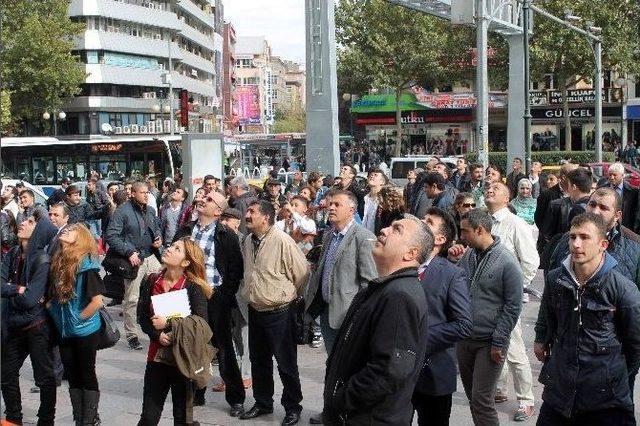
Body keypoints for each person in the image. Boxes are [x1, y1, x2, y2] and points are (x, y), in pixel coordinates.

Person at [323, 215, 430, 425]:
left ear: (411, 253)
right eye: (389, 226)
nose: (384, 231)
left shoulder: (399, 296)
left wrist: (343, 400)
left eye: (397, 230)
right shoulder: (381, 289)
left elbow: (389, 370)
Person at [534, 213, 640, 424]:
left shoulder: (623, 288)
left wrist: (611, 375)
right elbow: (550, 320)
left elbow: (635, 346)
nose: (576, 244)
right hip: (560, 394)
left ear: (603, 244)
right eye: (572, 237)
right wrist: (541, 337)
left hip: (605, 400)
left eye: (584, 237)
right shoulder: (556, 279)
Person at [305, 190, 377, 424]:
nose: (331, 207)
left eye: (337, 204)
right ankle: (331, 411)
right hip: (327, 312)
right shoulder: (329, 235)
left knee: (350, 367)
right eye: (329, 203)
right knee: (332, 365)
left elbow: (369, 282)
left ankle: (349, 413)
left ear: (352, 210)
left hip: (349, 317)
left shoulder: (363, 237)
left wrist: (360, 317)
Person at [174, 190, 246, 415]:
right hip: (188, 296)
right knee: (194, 345)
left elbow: (236, 269)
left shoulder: (226, 234)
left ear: (218, 211)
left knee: (223, 347)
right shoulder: (186, 230)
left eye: (209, 199)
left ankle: (236, 397)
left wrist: (224, 295)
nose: (202, 199)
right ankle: (197, 391)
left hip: (215, 296)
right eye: (203, 197)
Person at [239, 200, 309, 425]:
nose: (247, 215)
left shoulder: (282, 240)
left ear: (266, 218)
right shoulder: (249, 240)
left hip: (279, 311)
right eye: (248, 211)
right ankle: (262, 402)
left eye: (252, 212)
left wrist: (287, 294)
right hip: (256, 309)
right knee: (259, 360)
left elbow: (302, 272)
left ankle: (292, 407)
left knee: (286, 362)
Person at [453, 209, 523, 426]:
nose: (461, 236)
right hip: (465, 339)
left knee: (483, 401)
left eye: (465, 232)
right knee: (474, 399)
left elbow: (513, 306)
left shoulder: (507, 261)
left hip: (489, 343)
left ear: (480, 230)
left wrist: (499, 342)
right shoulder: (469, 255)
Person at [137, 238, 212, 426]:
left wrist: (169, 324)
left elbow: (201, 324)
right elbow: (143, 317)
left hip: (184, 359)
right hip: (156, 357)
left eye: (177, 249)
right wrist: (156, 335)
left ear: (186, 262)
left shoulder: (193, 287)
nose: (169, 249)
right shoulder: (152, 280)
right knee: (148, 417)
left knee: (182, 418)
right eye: (171, 246)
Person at [483, 182, 538, 421]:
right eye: (488, 187)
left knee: (514, 349)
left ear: (508, 198)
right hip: (487, 298)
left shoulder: (515, 224)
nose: (490, 190)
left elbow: (530, 261)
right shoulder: (484, 221)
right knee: (493, 345)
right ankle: (500, 390)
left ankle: (526, 400)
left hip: (508, 299)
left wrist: (515, 290)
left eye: (496, 188)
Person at [413, 208, 472, 426]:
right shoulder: (399, 265)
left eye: (428, 222)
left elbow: (463, 325)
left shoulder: (451, 274)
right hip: (397, 373)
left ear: (440, 239)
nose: (421, 222)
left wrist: (420, 338)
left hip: (433, 372)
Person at [1, 211, 58, 426]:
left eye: (31, 222)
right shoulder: (13, 253)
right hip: (13, 324)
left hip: (36, 325)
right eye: (24, 220)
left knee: (44, 377)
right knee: (6, 374)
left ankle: (46, 420)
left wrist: (11, 293)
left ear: (39, 231)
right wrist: (18, 289)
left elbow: (31, 299)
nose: (23, 223)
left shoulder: (42, 259)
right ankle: (13, 418)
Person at [47, 224, 105, 426]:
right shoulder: (58, 261)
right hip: (64, 329)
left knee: (86, 372)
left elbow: (97, 302)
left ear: (80, 239)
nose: (65, 230)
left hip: (85, 330)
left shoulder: (87, 266)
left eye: (71, 230)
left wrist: (77, 319)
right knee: (71, 374)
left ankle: (89, 419)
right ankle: (79, 418)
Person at [105, 181, 163, 351]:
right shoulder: (122, 212)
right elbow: (111, 236)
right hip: (134, 260)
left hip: (151, 256)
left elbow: (156, 228)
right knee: (132, 299)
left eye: (148, 192)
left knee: (161, 292)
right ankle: (132, 335)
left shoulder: (151, 210)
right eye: (143, 192)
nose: (147, 195)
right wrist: (129, 252)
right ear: (133, 193)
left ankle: (163, 328)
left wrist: (158, 238)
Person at [602, 162, 640, 233]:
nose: (612, 177)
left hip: (626, 229)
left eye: (614, 175)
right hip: (607, 228)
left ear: (622, 175)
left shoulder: (633, 191)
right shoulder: (603, 189)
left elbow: (636, 212)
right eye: (610, 175)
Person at [361, 168, 387, 234]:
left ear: (382, 182)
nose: (372, 176)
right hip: (364, 238)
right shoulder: (364, 199)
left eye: (375, 175)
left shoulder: (385, 200)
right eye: (371, 175)